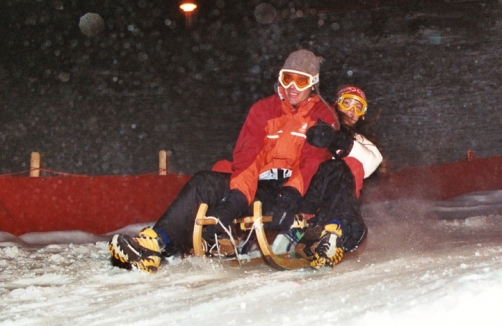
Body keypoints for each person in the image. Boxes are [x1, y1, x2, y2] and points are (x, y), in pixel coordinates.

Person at [108, 49, 341, 273]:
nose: (292, 87)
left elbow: (313, 163)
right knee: (204, 182)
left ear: (313, 83)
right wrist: (236, 199)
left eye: (301, 81)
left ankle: (310, 239)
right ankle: (158, 243)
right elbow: (248, 158)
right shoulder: (263, 110)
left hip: (296, 194)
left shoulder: (323, 116)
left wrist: (290, 198)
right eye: (287, 78)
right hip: (259, 188)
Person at [293, 85, 383, 269]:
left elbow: (372, 162)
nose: (351, 111)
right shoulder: (316, 124)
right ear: (336, 105)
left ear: (362, 114)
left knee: (349, 166)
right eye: (347, 103)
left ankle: (334, 230)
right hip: (299, 188)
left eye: (358, 107)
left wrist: (340, 141)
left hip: (327, 201)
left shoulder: (358, 139)